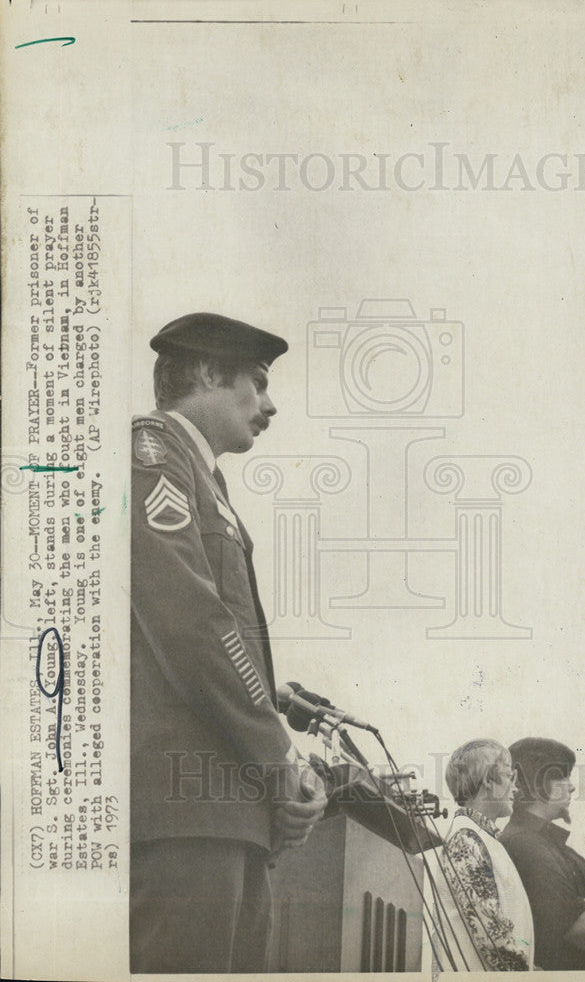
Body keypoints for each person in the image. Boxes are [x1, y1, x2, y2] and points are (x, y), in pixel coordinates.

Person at [130, 312, 326, 973]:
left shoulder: (206, 479)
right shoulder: (152, 450)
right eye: (258, 381)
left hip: (230, 812)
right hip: (189, 812)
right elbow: (190, 623)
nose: (270, 405)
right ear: (209, 373)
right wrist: (281, 761)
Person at [499, 737, 585, 971]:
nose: (572, 786)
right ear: (538, 782)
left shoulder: (544, 844)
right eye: (562, 776)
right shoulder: (524, 844)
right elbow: (583, 929)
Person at [429, 739, 535, 971]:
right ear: (488, 780)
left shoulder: (482, 838)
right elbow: (492, 938)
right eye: (510, 776)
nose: (516, 788)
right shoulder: (466, 839)